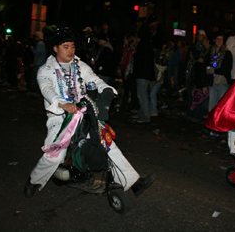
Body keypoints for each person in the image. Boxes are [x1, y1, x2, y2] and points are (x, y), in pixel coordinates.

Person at [24, 28, 155, 198]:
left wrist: (106, 89)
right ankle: (35, 181)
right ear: (55, 48)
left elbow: (94, 80)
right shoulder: (46, 70)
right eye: (66, 47)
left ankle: (134, 183)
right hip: (60, 118)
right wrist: (63, 104)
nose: (71, 51)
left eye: (72, 46)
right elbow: (47, 89)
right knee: (55, 156)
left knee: (106, 144)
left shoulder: (79, 65)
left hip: (84, 114)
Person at [131, 24, 156, 123]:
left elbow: (140, 59)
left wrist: (135, 54)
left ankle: (146, 116)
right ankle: (141, 113)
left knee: (142, 95)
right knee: (143, 94)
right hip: (146, 74)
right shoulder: (148, 44)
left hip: (142, 73)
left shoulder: (143, 44)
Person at [202, 32, 233, 112]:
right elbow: (204, 69)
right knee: (212, 107)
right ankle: (212, 123)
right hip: (212, 83)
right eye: (217, 39)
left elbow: (227, 69)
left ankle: (221, 123)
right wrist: (204, 85)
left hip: (223, 83)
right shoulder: (209, 53)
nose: (219, 41)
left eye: (221, 39)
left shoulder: (227, 53)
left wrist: (214, 70)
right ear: (214, 40)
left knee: (222, 106)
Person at [32, 31, 46, 96]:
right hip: (42, 62)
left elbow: (37, 54)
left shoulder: (40, 44)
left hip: (38, 63)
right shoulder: (43, 43)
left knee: (36, 78)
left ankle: (37, 92)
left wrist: (34, 63)